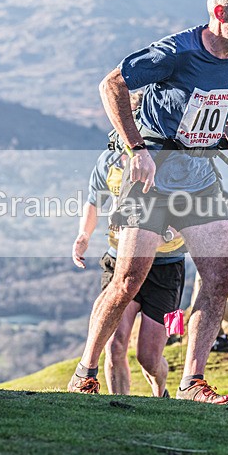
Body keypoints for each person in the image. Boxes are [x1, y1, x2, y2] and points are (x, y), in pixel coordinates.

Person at [67, 0, 228, 405]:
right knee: (128, 279)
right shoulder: (176, 51)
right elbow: (111, 85)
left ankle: (193, 380)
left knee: (222, 273)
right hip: (153, 175)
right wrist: (136, 148)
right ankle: (84, 372)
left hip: (199, 174)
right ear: (220, 14)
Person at [71, 148, 186, 398]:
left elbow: (190, 210)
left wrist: (156, 238)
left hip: (165, 266)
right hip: (118, 261)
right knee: (114, 344)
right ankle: (119, 407)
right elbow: (94, 200)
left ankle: (161, 394)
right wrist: (84, 235)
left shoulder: (172, 157)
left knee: (149, 357)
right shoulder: (109, 159)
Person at [189, 190, 228, 352]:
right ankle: (222, 337)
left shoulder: (226, 201)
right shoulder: (199, 198)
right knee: (201, 301)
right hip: (206, 258)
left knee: (204, 300)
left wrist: (225, 260)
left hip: (220, 259)